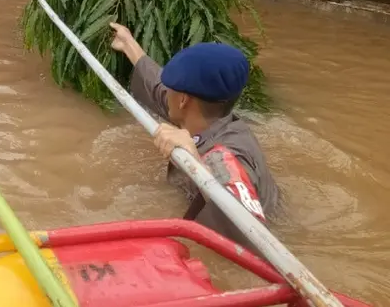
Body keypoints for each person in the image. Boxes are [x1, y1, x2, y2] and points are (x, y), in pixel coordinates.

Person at [109, 22, 279, 252]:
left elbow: (253, 236)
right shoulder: (208, 116)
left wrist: (196, 162)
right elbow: (157, 88)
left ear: (183, 101)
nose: (165, 91)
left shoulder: (226, 156)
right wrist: (129, 44)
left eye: (171, 89)